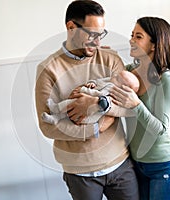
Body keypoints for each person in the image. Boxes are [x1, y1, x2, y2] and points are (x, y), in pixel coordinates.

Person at [35, 1, 139, 200]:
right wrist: (95, 129)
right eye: (92, 35)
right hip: (79, 173)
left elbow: (131, 105)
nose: (98, 42)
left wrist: (96, 104)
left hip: (120, 163)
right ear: (71, 28)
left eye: (101, 34)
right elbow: (47, 126)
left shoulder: (110, 58)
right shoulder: (48, 69)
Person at [110, 16, 170, 200]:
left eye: (138, 36)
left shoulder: (167, 79)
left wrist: (136, 105)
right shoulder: (130, 72)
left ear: (153, 45)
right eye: (132, 35)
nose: (131, 40)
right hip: (137, 164)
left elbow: (161, 129)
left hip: (164, 166)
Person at [41, 70, 140, 125]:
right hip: (84, 103)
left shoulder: (114, 95)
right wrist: (91, 83)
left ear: (123, 89)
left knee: (71, 104)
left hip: (91, 116)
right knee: (72, 103)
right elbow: (97, 81)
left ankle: (56, 109)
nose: (114, 76)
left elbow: (99, 97)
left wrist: (84, 90)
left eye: (117, 78)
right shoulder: (110, 81)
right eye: (117, 75)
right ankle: (56, 118)